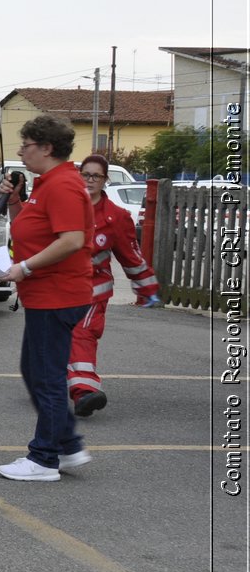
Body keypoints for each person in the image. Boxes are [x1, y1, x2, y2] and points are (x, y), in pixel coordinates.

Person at [0, 116, 95, 482]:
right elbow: (33, 229)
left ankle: (44, 458)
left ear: (47, 148)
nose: (22, 151)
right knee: (37, 371)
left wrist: (26, 268)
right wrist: (15, 201)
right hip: (46, 295)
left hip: (56, 294)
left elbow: (70, 240)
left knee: (46, 377)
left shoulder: (64, 185)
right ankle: (67, 445)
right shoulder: (48, 184)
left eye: (27, 145)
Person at [66, 153, 162, 416]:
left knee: (82, 334)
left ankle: (84, 392)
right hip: (58, 289)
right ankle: (47, 382)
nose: (90, 180)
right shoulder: (65, 205)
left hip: (93, 291)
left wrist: (147, 288)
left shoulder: (116, 217)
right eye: (85, 174)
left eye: (96, 176)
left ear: (105, 180)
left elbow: (131, 257)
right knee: (55, 338)